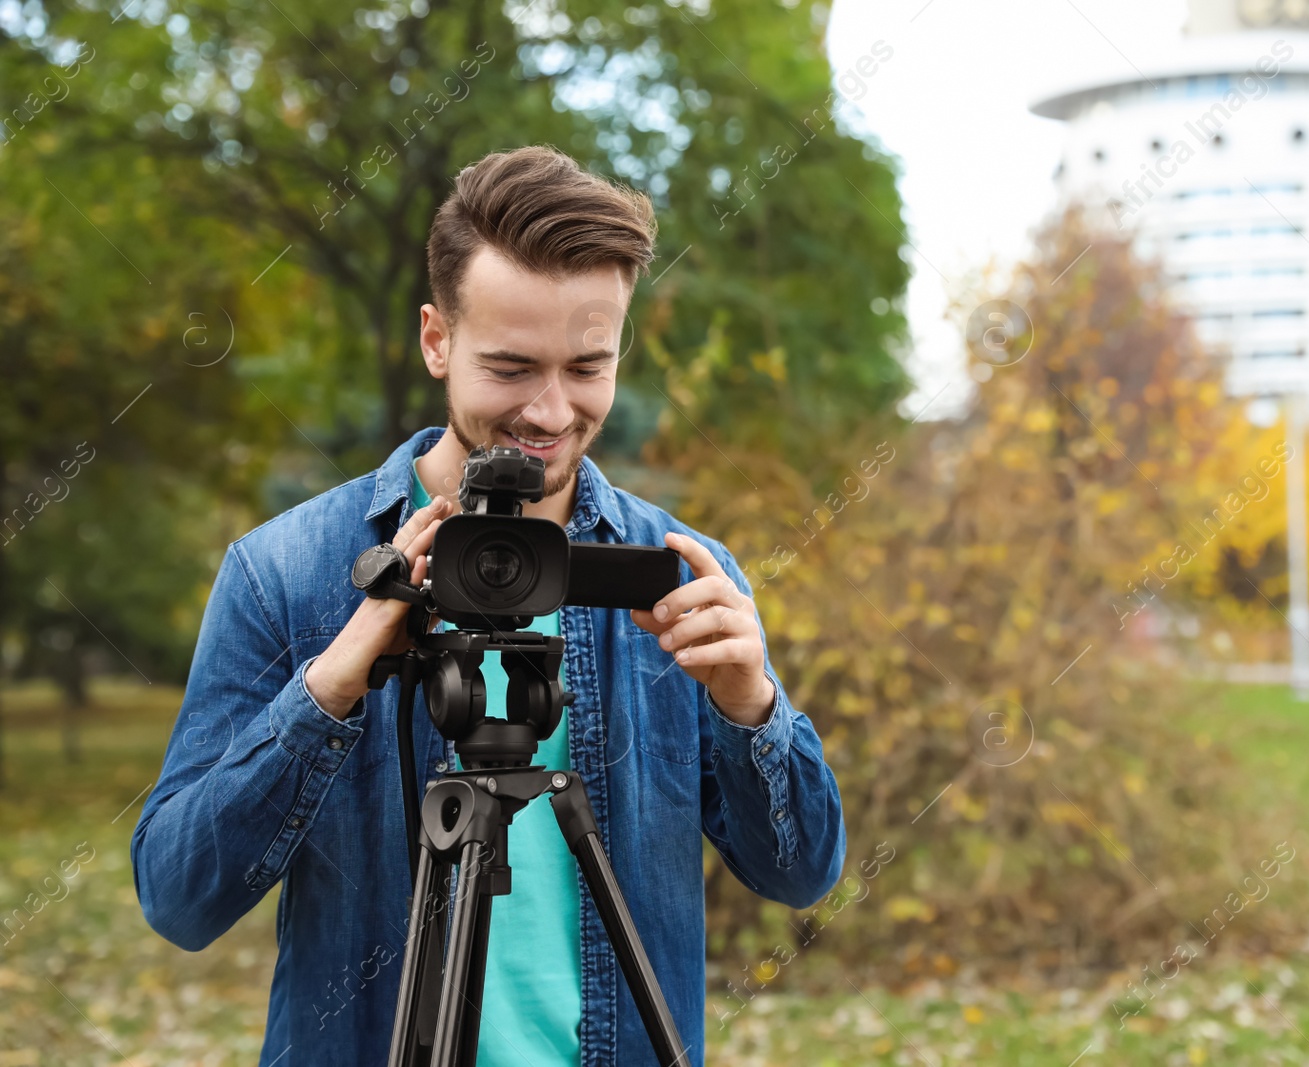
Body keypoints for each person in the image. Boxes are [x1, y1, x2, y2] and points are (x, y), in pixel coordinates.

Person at [131, 144, 848, 1067]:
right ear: (436, 338)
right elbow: (180, 896)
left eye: (587, 367)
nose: (550, 412)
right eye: (511, 367)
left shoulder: (672, 575)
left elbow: (801, 872)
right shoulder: (287, 571)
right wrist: (333, 686)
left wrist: (753, 706)